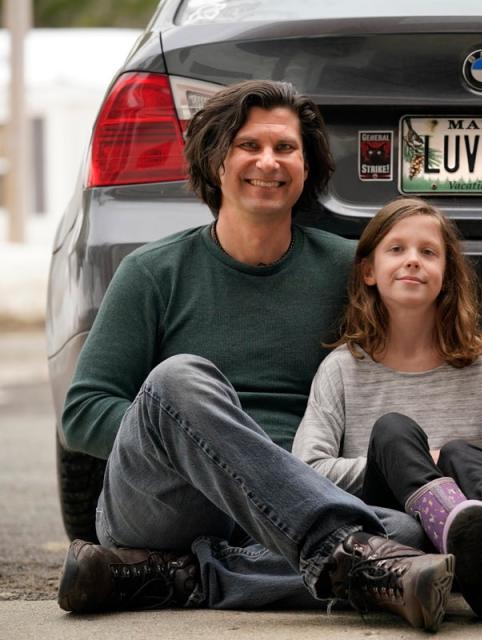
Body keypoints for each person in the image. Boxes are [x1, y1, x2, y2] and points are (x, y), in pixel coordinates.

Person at [54, 80, 456, 631]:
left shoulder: (350, 269)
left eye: (285, 148)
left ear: (307, 168)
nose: (268, 162)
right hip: (170, 499)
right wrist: (205, 444)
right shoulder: (152, 272)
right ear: (216, 160)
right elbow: (82, 413)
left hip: (289, 503)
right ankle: (338, 556)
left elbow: (454, 348)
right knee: (179, 378)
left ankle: (179, 578)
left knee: (406, 535)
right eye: (249, 145)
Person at [292, 197, 482, 623]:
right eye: (397, 249)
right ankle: (449, 522)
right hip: (392, 538)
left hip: (479, 530)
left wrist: (459, 474)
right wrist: (410, 466)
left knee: (462, 452)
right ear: (369, 271)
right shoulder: (342, 367)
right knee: (393, 431)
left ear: (446, 275)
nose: (413, 261)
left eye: (428, 252)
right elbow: (308, 468)